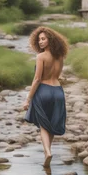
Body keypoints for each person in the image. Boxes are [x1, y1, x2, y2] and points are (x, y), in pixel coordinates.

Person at [23, 26, 69, 167]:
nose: (41, 42)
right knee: (52, 122)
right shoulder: (60, 56)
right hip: (58, 92)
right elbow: (58, 76)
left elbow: (37, 79)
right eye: (39, 40)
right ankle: (48, 151)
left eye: (43, 39)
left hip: (43, 91)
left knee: (44, 124)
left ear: (50, 40)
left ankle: (47, 151)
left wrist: (28, 98)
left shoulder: (41, 56)